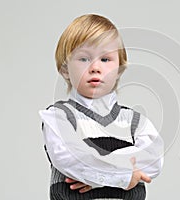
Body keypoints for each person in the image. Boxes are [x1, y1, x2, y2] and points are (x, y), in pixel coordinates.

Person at [39, 14, 164, 200]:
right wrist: (123, 174)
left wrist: (97, 175)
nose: (95, 67)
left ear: (119, 69)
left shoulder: (135, 122)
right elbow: (71, 159)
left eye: (105, 59)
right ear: (65, 69)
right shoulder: (59, 117)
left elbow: (153, 161)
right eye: (84, 59)